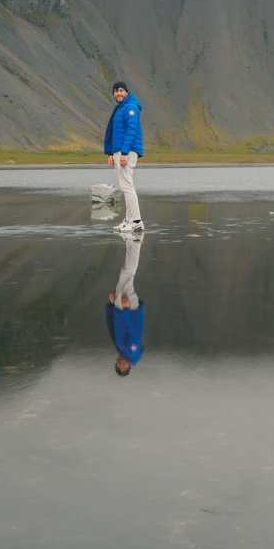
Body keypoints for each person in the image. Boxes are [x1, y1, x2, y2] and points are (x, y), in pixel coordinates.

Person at [104, 79, 145, 235]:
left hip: (126, 151)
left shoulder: (130, 108)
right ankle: (129, 220)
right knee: (125, 185)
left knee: (127, 185)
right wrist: (110, 153)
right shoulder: (120, 108)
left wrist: (125, 153)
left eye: (121, 90)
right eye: (116, 91)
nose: (118, 93)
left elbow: (131, 130)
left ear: (126, 92)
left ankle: (136, 221)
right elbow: (114, 132)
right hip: (119, 151)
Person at [106, 236, 145, 375]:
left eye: (119, 366)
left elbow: (113, 327)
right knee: (128, 273)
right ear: (129, 366)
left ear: (116, 363)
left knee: (126, 273)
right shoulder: (132, 352)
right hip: (128, 309)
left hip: (120, 309)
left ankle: (132, 241)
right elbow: (133, 333)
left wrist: (111, 307)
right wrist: (127, 309)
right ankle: (136, 240)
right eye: (124, 367)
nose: (121, 364)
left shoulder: (122, 350)